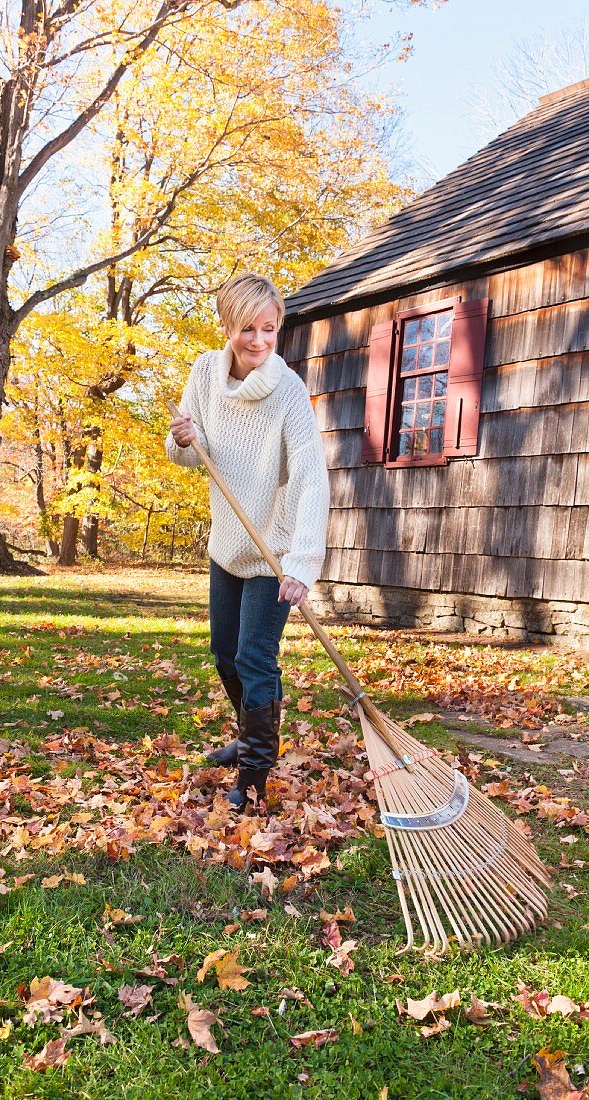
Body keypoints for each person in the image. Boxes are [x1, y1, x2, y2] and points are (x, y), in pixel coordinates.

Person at [166, 272, 330, 810]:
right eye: (246, 329)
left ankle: (255, 771)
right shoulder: (204, 373)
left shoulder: (288, 392)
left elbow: (310, 478)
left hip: (273, 550)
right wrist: (184, 439)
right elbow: (193, 456)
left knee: (255, 658)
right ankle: (248, 732)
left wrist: (302, 563)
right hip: (227, 543)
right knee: (223, 655)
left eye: (269, 329)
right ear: (226, 326)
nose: (258, 341)